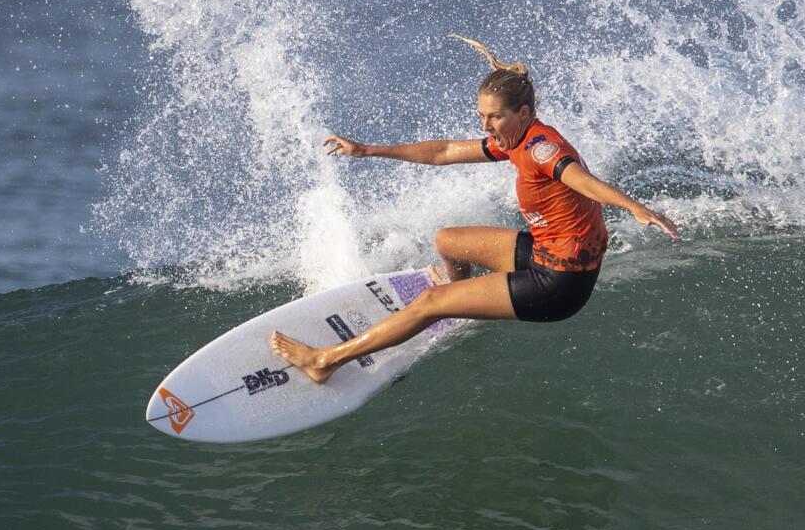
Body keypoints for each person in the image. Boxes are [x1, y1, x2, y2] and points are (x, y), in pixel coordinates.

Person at [270, 36, 679, 383]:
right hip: (544, 251)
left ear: (523, 113)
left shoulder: (541, 149)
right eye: (482, 115)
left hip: (558, 284)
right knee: (447, 240)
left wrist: (635, 207)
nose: (486, 126)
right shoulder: (513, 139)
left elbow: (581, 180)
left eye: (495, 117)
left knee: (430, 302)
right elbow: (444, 152)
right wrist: (368, 150)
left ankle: (325, 361)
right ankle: (459, 308)